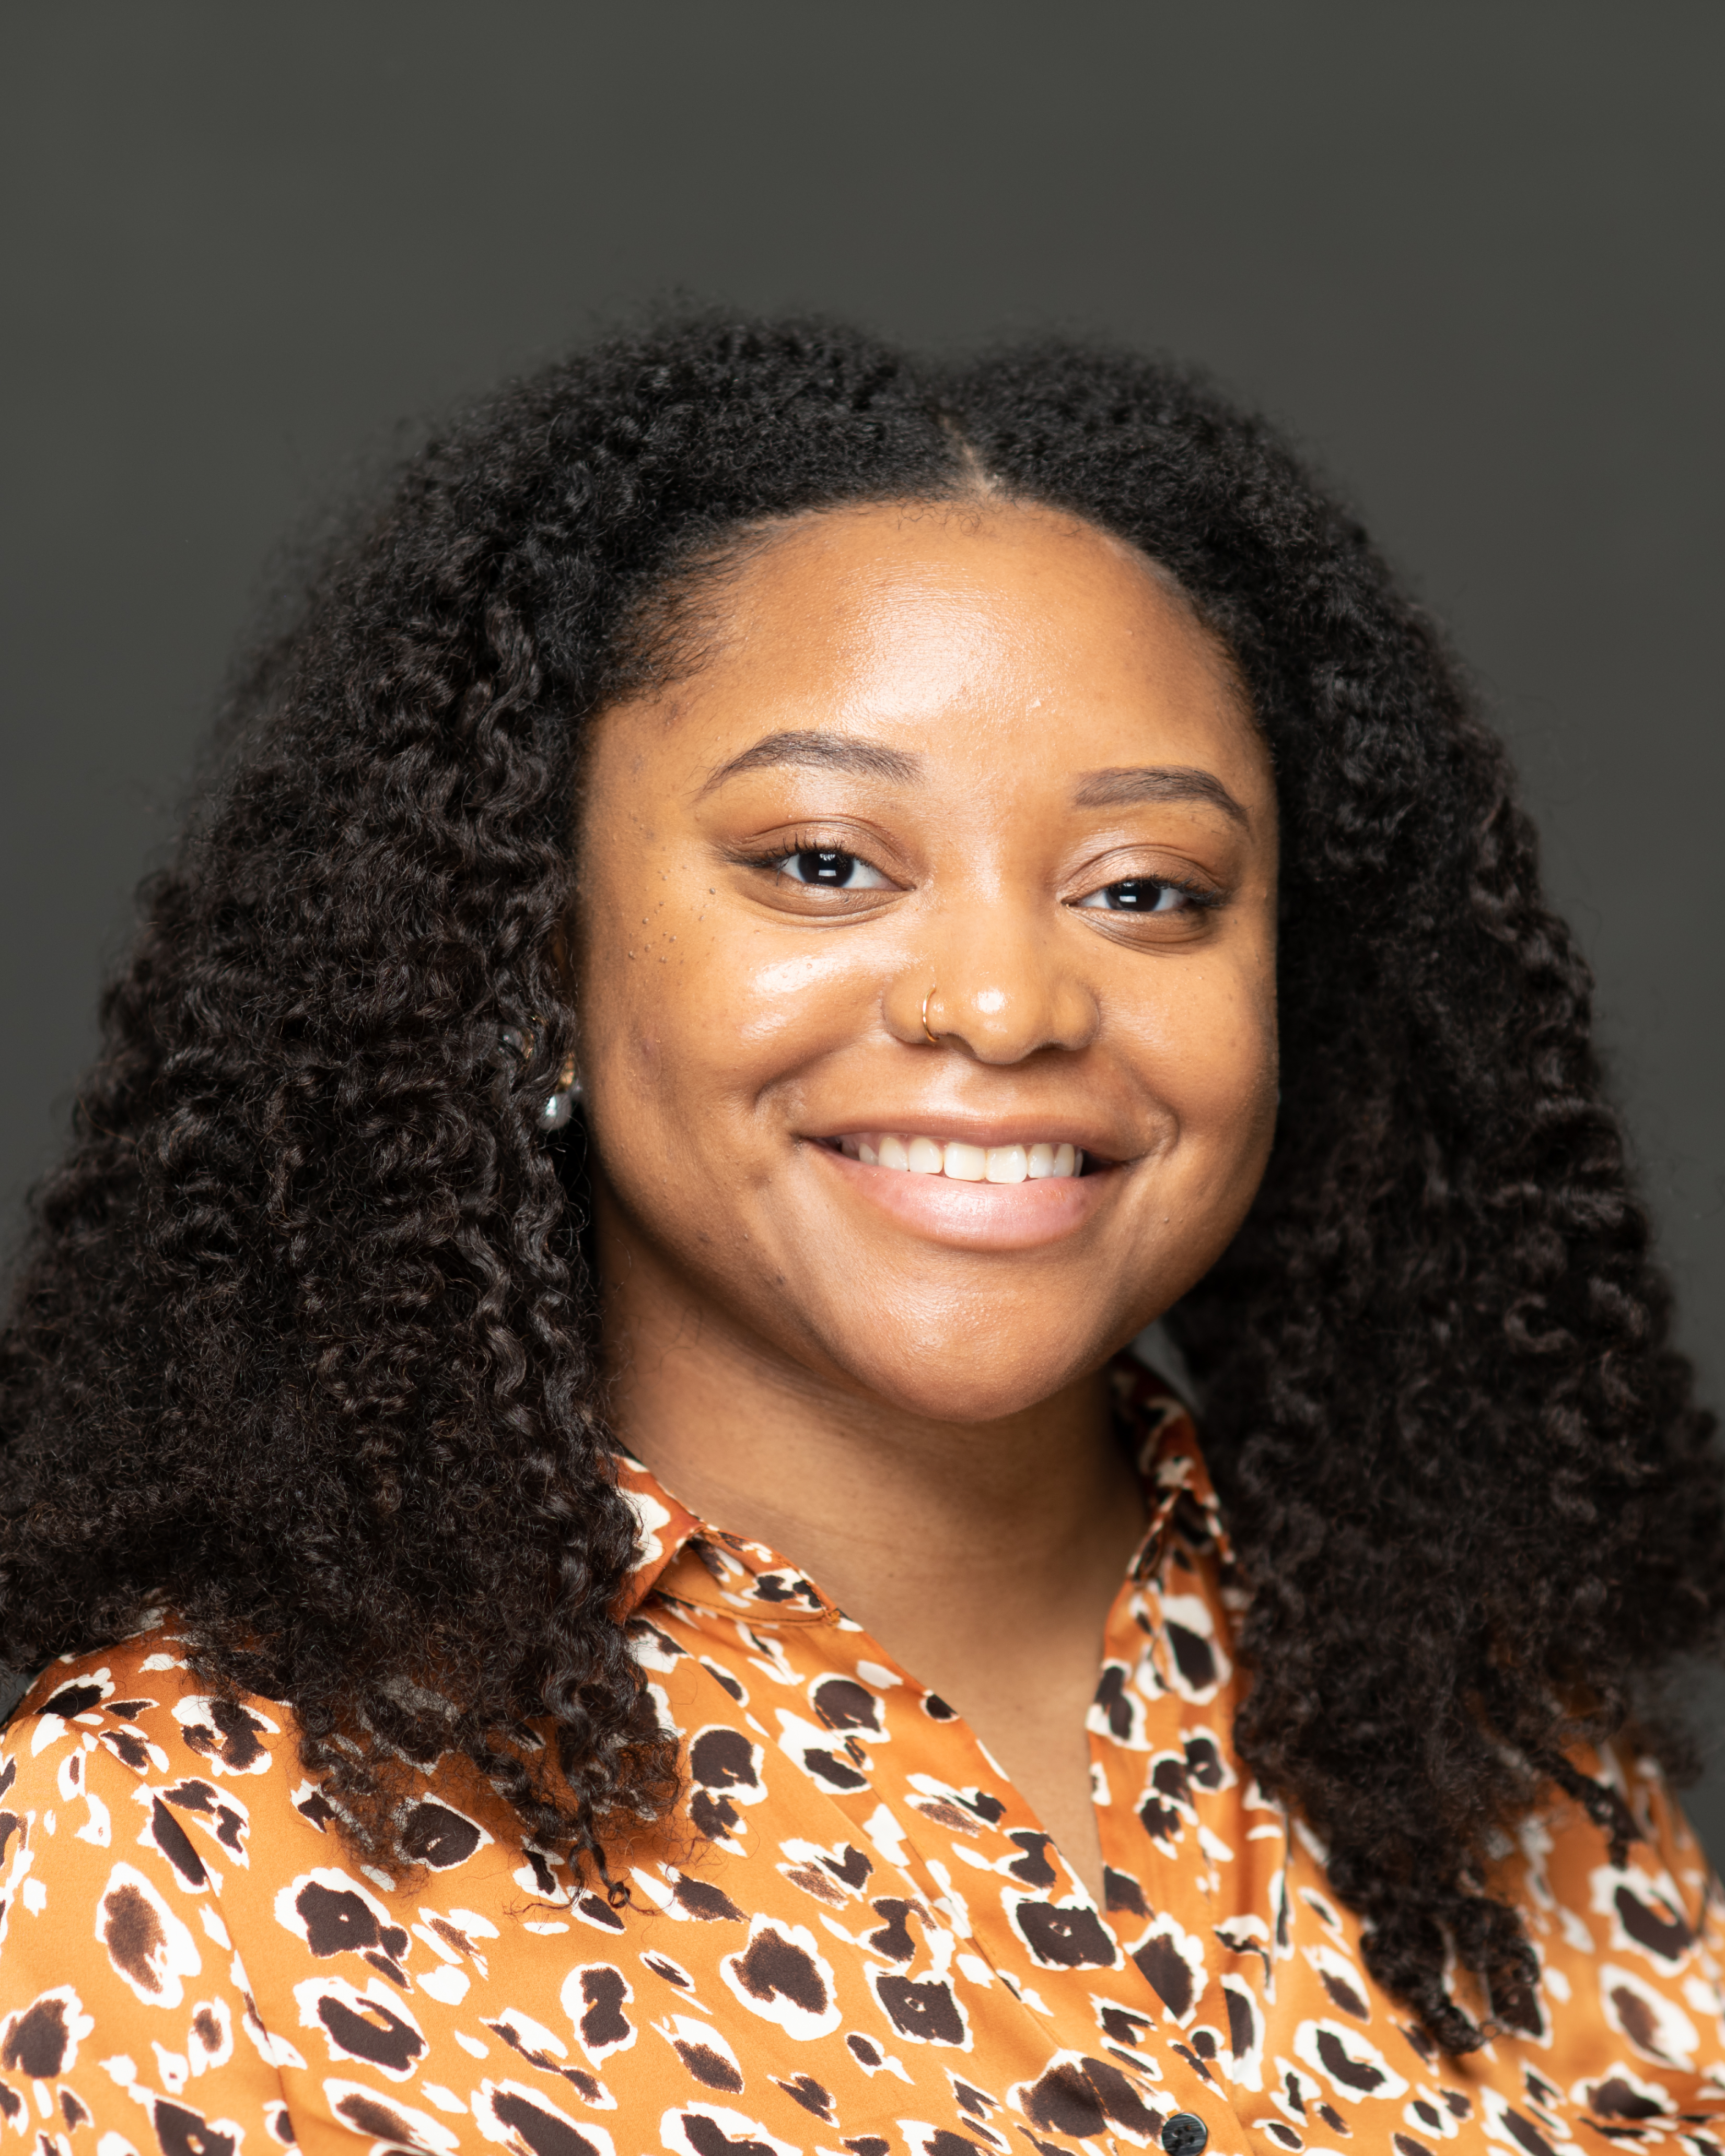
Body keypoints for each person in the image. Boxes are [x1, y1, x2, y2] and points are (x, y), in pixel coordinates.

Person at [0, 313, 1720, 2156]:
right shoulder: (177, 1842)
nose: (1002, 1004)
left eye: (1146, 892)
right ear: (523, 960)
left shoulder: (1502, 1755)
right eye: (825, 862)